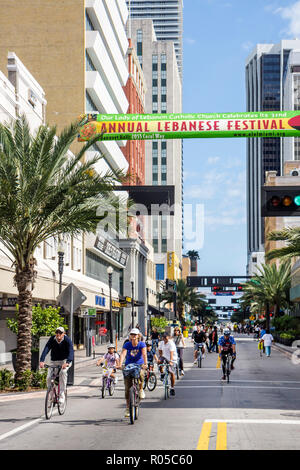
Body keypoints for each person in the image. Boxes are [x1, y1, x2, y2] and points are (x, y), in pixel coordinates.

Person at [39, 327, 74, 404]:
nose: (58, 334)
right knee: (48, 377)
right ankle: (51, 395)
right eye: (57, 333)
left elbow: (71, 351)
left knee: (63, 373)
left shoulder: (67, 340)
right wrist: (42, 360)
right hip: (54, 361)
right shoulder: (52, 339)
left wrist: (67, 362)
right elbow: (46, 349)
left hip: (65, 361)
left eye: (60, 333)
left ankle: (62, 395)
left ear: (63, 334)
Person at [118, 328, 147, 418]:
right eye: (132, 334)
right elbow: (123, 354)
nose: (133, 336)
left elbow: (144, 354)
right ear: (130, 336)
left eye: (135, 335)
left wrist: (145, 364)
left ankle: (141, 389)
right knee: (127, 388)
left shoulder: (141, 344)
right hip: (129, 365)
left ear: (138, 336)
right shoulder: (127, 344)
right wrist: (120, 364)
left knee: (141, 374)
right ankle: (127, 408)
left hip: (139, 365)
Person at [158, 332, 178, 396]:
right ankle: (162, 373)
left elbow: (171, 353)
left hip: (172, 358)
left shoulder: (171, 343)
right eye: (163, 338)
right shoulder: (161, 343)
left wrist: (171, 361)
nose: (164, 339)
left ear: (168, 337)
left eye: (166, 338)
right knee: (159, 362)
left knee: (171, 373)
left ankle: (172, 388)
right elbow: (160, 350)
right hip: (165, 357)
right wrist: (160, 356)